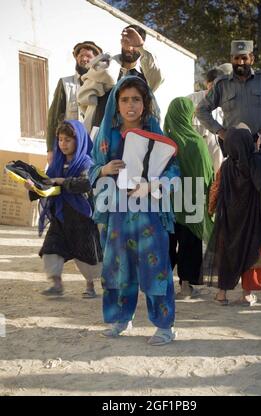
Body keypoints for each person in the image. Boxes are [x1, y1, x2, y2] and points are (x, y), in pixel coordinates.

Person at [89, 76, 180, 345]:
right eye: (125, 99)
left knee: (156, 268)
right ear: (116, 104)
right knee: (118, 267)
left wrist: (152, 186)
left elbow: (174, 173)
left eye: (136, 100)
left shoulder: (159, 138)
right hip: (115, 214)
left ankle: (165, 326)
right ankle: (121, 319)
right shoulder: (106, 136)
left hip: (150, 215)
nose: (130, 105)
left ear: (146, 103)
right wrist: (103, 170)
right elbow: (91, 167)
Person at [25, 120, 103, 297]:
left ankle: (90, 286)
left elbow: (86, 184)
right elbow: (47, 185)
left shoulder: (86, 163)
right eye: (60, 140)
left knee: (86, 254)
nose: (63, 144)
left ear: (79, 140)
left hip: (81, 217)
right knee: (51, 249)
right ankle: (56, 284)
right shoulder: (56, 164)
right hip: (60, 215)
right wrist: (33, 188)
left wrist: (63, 182)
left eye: (68, 140)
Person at [205, 123, 261, 305]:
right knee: (252, 253)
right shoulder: (258, 162)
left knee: (228, 254)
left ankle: (221, 294)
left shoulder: (226, 166)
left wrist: (211, 209)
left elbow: (216, 189)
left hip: (230, 220)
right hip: (253, 220)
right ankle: (246, 295)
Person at [164, 97, 214, 299]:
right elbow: (206, 174)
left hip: (167, 202)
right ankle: (185, 286)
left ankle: (163, 285)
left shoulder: (164, 143)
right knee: (189, 244)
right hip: (192, 202)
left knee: (167, 243)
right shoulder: (196, 142)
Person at [196, 40, 261, 147]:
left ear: (252, 59)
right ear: (231, 59)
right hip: (235, 146)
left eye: (244, 58)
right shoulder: (222, 85)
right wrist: (221, 132)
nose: (240, 62)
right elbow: (201, 110)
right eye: (236, 58)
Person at [78, 25, 164, 133]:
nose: (129, 48)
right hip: (100, 133)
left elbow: (156, 77)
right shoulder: (103, 70)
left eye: (134, 45)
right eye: (126, 43)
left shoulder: (144, 75)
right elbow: (84, 100)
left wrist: (141, 47)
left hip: (133, 135)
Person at [47, 41, 102, 164]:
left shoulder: (101, 85)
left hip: (92, 148)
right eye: (80, 55)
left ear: (96, 60)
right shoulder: (65, 83)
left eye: (88, 56)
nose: (84, 59)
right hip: (67, 150)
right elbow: (53, 118)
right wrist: (50, 150)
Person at [188, 64, 232, 174]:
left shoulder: (228, 105)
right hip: (195, 160)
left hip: (217, 161)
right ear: (207, 84)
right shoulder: (191, 101)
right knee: (196, 188)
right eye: (213, 85)